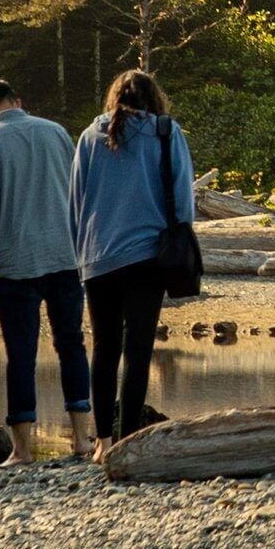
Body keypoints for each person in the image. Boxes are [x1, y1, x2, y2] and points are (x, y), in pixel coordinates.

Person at [0, 77, 90, 458]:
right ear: (19, 100)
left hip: (17, 264)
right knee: (72, 346)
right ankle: (82, 439)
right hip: (66, 257)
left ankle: (23, 450)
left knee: (21, 354)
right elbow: (77, 191)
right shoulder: (57, 133)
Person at [71, 67, 194, 450]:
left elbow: (76, 200)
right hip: (147, 255)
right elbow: (183, 194)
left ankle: (102, 441)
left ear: (113, 100)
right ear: (153, 99)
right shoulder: (165, 131)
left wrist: (82, 255)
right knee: (138, 350)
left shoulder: (90, 136)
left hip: (98, 257)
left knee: (104, 350)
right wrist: (181, 238)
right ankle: (128, 441)